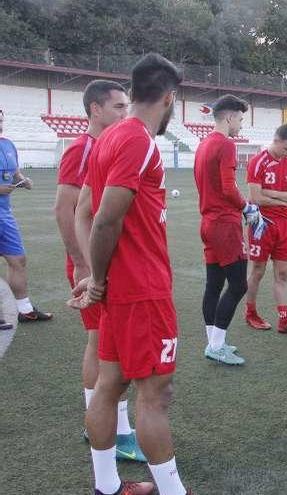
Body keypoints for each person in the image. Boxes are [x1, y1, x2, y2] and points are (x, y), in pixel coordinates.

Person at [70, 52, 190, 495]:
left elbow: (83, 213)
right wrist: (97, 278)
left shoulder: (108, 138)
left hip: (122, 290)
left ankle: (106, 486)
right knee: (156, 395)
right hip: (142, 291)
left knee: (108, 387)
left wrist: (94, 274)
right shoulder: (138, 140)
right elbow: (103, 218)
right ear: (170, 97)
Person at [54, 79, 145, 461]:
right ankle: (101, 426)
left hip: (105, 265)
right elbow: (65, 209)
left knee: (108, 345)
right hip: (91, 265)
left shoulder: (109, 145)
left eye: (127, 106)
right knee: (99, 342)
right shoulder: (83, 148)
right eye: (119, 107)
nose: (126, 113)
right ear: (95, 109)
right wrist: (82, 264)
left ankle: (115, 426)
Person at [194, 94, 263, 365]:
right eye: (240, 119)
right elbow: (228, 186)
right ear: (229, 117)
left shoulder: (203, 145)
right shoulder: (225, 145)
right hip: (224, 224)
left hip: (208, 222)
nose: (241, 124)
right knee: (237, 285)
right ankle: (217, 345)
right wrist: (248, 207)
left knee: (214, 284)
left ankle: (213, 342)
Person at [243, 124, 287, 336]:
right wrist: (282, 197)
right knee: (258, 271)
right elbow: (255, 198)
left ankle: (284, 321)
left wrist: (271, 194)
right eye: (286, 149)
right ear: (276, 140)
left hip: (283, 225)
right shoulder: (257, 161)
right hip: (260, 224)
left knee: (282, 273)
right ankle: (250, 313)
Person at [0, 109, 51, 326]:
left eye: (0, 120)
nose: (0, 124)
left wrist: (23, 179)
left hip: (4, 213)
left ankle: (24, 309)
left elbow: (15, 171)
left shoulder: (7, 144)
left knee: (17, 260)